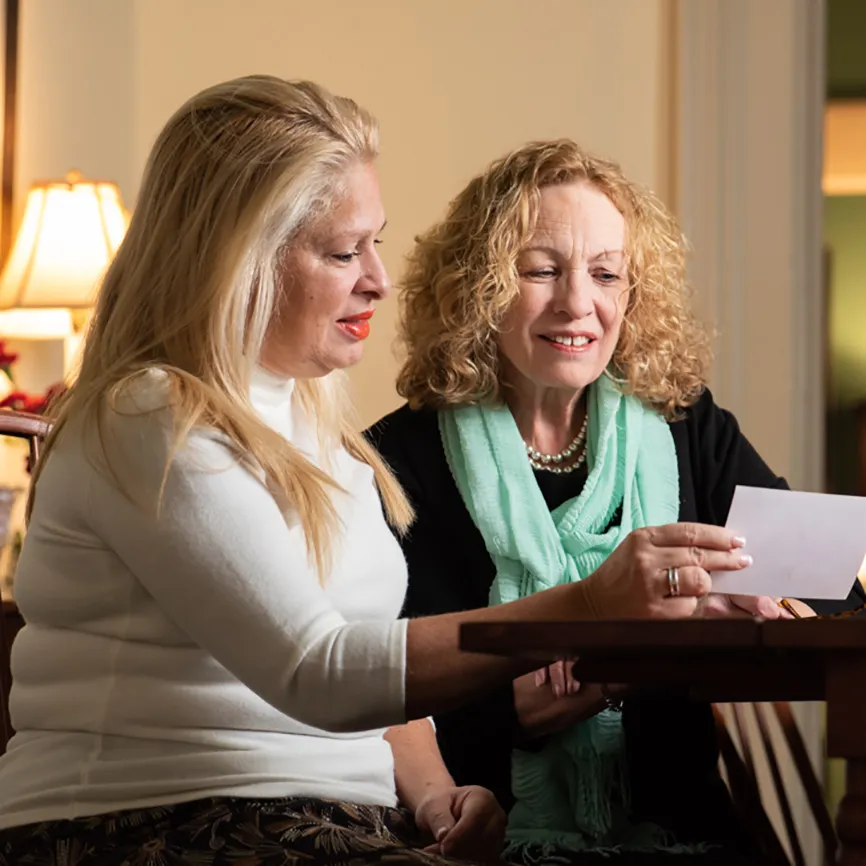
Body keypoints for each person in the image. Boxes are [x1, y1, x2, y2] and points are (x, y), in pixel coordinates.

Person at [0, 79, 756, 866]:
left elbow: (373, 667)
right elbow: (321, 671)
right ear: (241, 257)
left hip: (335, 824)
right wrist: (592, 603)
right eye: (341, 251)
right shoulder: (151, 415)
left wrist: (435, 797)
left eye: (375, 243)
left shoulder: (316, 428)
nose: (378, 280)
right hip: (165, 824)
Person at [368, 139, 866, 865]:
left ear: (635, 293)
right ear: (476, 287)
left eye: (607, 273)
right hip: (483, 836)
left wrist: (735, 611)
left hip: (687, 832)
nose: (579, 303)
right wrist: (549, 690)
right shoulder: (392, 461)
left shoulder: (687, 425)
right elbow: (374, 686)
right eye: (540, 270)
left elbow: (830, 588)